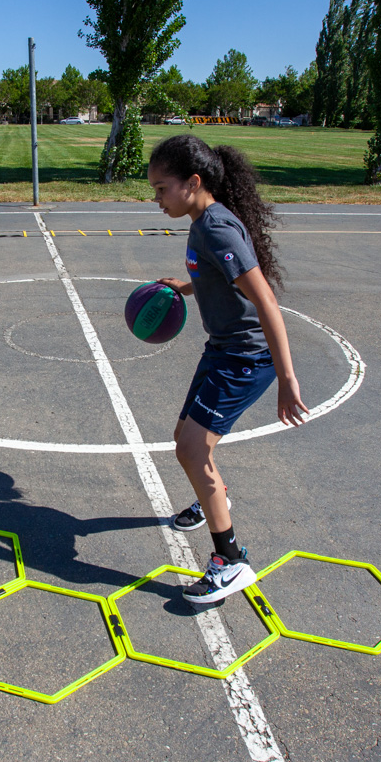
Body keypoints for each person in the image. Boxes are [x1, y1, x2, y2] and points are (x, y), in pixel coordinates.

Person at [149, 134, 309, 605]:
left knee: (192, 449)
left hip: (245, 358)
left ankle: (231, 560)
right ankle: (212, 496)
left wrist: (286, 378)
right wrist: (187, 286)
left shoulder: (216, 227)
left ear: (193, 183)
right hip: (222, 349)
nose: (155, 198)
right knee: (187, 440)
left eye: (161, 188)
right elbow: (220, 278)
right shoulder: (202, 222)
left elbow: (266, 303)